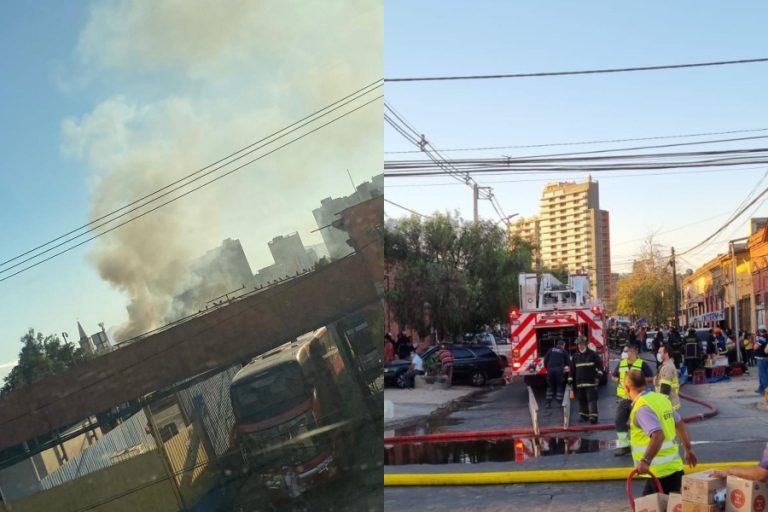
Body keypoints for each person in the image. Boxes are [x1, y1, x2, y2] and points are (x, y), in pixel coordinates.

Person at [625, 370, 698, 496]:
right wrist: (688, 449)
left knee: (648, 507)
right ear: (644, 383)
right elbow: (679, 422)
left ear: (627, 388)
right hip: (674, 469)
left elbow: (658, 435)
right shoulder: (661, 399)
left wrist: (645, 461)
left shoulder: (642, 408)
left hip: (658, 473)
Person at [612, 344, 654, 456]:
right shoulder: (621, 363)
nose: (628, 354)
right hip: (623, 398)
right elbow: (613, 376)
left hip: (638, 399)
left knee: (641, 422)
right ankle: (624, 446)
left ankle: (648, 445)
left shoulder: (642, 364)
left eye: (630, 351)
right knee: (619, 421)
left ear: (636, 353)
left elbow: (651, 378)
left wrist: (637, 381)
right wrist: (621, 380)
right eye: (626, 351)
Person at [568, 338, 604, 424]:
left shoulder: (592, 355)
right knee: (581, 400)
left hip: (591, 382)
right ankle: (584, 416)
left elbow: (600, 367)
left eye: (581, 344)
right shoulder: (575, 356)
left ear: (585, 344)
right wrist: (570, 379)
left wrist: (598, 377)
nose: (580, 346)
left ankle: (593, 417)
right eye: (578, 344)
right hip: (579, 383)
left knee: (591, 400)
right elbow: (572, 370)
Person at [543, 339, 570, 408]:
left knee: (550, 386)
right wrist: (567, 368)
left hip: (550, 370)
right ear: (563, 345)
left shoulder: (550, 350)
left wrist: (547, 368)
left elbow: (545, 360)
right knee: (559, 386)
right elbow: (568, 362)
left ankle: (548, 403)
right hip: (559, 371)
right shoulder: (563, 351)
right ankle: (559, 401)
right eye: (564, 345)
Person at [656, 344, 680, 411]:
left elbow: (665, 388)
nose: (658, 354)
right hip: (670, 403)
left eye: (660, 352)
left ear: (666, 354)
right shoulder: (664, 365)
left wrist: (662, 405)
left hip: (668, 405)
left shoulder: (667, 367)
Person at [755, 329, 768, 395]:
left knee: (763, 374)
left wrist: (756, 344)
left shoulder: (762, 338)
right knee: (764, 374)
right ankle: (761, 388)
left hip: (761, 358)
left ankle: (766, 390)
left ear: (760, 332)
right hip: (766, 357)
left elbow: (755, 347)